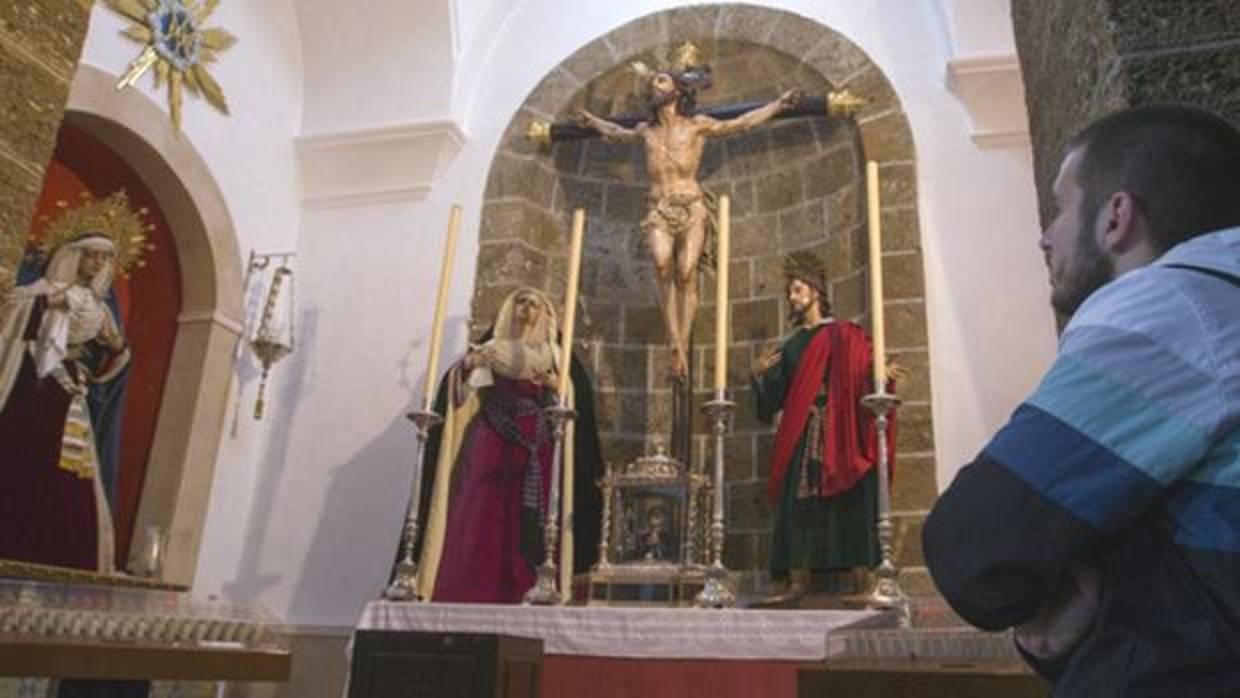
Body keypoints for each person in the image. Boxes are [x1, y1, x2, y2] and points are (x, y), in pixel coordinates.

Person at [922, 104, 1240, 695]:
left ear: (1116, 216)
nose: (1045, 235)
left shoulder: (1171, 306)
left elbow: (977, 549)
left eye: (1061, 206)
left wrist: (1077, 616)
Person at [577, 59, 799, 380]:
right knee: (662, 262)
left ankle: (679, 342)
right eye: (653, 81)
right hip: (658, 208)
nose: (656, 85)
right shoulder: (646, 131)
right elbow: (615, 133)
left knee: (685, 272)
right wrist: (594, 121)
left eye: (663, 80)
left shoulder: (697, 126)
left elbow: (743, 122)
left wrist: (777, 105)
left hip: (691, 205)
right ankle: (675, 341)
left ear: (679, 90)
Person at [413, 287, 601, 602]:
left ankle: (529, 586)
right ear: (508, 310)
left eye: (534, 304)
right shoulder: (491, 350)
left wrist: (556, 385)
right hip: (492, 440)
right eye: (521, 302)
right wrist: (468, 367)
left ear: (546, 314)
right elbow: (462, 398)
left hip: (537, 444)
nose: (526, 309)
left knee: (535, 514)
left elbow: (568, 403)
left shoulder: (555, 356)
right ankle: (471, 588)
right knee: (482, 509)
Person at [751, 251, 895, 604]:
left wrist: (880, 376)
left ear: (815, 291)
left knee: (852, 490)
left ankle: (862, 579)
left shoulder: (843, 333)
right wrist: (760, 376)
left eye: (797, 290)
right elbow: (776, 398)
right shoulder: (793, 345)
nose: (792, 297)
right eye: (790, 292)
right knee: (796, 499)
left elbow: (862, 369)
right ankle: (798, 579)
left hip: (839, 427)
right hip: (802, 428)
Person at [0, 232, 129, 572]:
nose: (98, 263)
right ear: (74, 255)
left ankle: (56, 555)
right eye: (92, 255)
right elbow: (14, 313)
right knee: (22, 453)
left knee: (66, 467)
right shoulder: (47, 289)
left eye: (104, 258)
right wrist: (45, 307)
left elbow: (117, 353)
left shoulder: (100, 310)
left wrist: (113, 355)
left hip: (70, 388)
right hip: (33, 382)